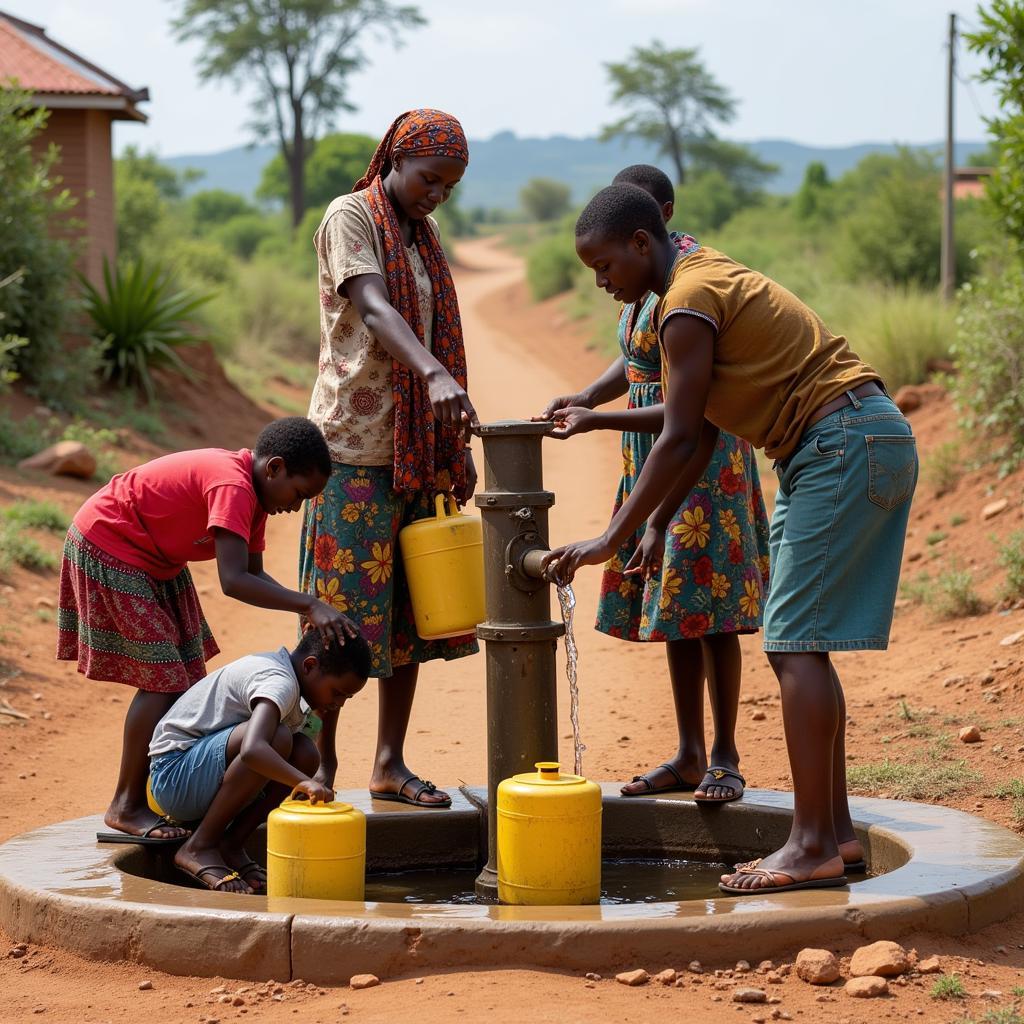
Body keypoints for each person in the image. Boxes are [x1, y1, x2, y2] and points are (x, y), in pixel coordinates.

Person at [545, 184, 918, 895]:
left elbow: (682, 434)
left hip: (837, 445)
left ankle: (808, 845)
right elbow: (706, 427)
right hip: (848, 439)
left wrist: (607, 539)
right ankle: (835, 836)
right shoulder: (699, 275)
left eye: (604, 267)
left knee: (791, 642)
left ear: (640, 244)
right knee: (801, 641)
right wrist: (653, 522)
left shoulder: (685, 304)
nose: (601, 283)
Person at [536, 165, 769, 803]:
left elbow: (685, 414)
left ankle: (723, 756)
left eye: (605, 266)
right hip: (656, 456)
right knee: (677, 610)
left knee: (714, 614)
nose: (601, 281)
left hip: (701, 461)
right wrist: (589, 394)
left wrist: (597, 419)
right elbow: (639, 361)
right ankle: (690, 754)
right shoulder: (648, 285)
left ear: (652, 228)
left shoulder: (686, 290)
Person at [58, 417, 358, 845]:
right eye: (299, 494)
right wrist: (309, 603)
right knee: (162, 679)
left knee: (186, 674)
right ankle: (126, 803)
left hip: (156, 559)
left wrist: (309, 604)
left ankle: (181, 791)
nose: (297, 506)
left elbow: (254, 572)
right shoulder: (233, 487)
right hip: (113, 542)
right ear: (274, 468)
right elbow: (233, 581)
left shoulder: (256, 498)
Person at [301, 109, 479, 809]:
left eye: (449, 186)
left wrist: (451, 442)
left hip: (414, 453)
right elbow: (372, 305)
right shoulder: (352, 217)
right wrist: (433, 374)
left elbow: (436, 325)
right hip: (350, 450)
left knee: (408, 621)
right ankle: (316, 764)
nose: (436, 194)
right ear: (395, 160)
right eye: (429, 178)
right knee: (338, 624)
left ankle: (388, 764)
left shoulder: (422, 236)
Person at [149, 629, 371, 893]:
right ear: (310, 666)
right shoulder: (279, 682)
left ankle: (231, 843)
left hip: (196, 776)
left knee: (305, 753)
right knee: (277, 738)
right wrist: (305, 783)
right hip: (173, 777)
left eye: (347, 697)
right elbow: (253, 749)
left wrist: (302, 776)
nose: (339, 704)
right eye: (337, 693)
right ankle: (198, 847)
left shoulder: (292, 681)